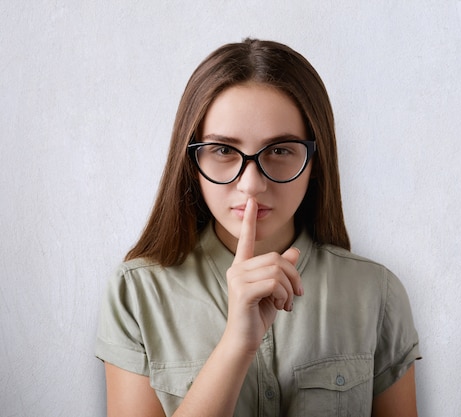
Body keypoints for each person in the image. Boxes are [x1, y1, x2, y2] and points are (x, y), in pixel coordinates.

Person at [95, 38, 421, 417]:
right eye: (223, 150)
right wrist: (236, 344)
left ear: (316, 160)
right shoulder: (137, 293)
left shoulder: (376, 294)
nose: (251, 184)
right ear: (191, 159)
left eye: (280, 151)